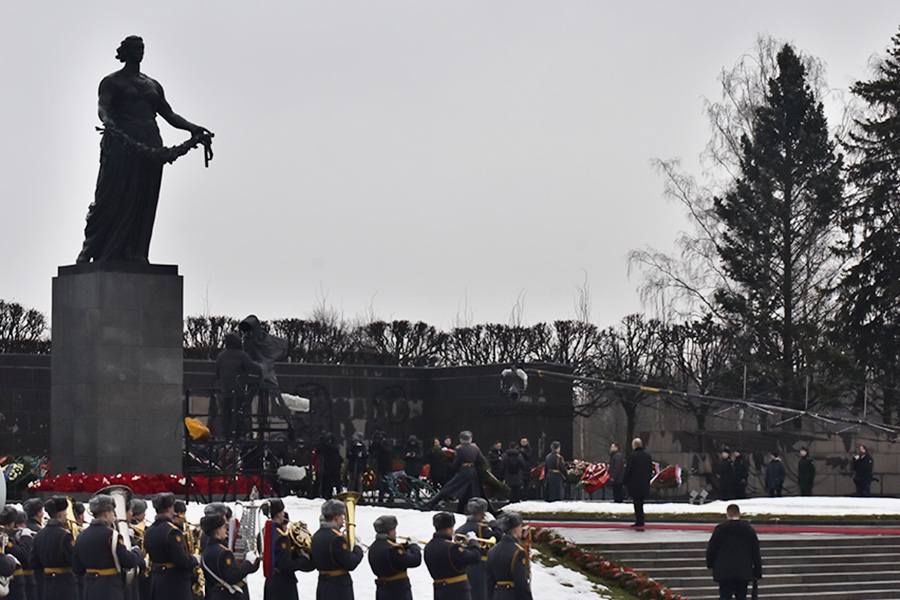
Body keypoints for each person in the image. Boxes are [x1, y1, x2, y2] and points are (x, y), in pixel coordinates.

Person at [76, 35, 212, 264]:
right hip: (121, 144)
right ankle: (91, 249)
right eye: (136, 48)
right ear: (126, 52)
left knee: (144, 197)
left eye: (142, 48)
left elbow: (168, 114)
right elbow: (103, 108)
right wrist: (109, 122)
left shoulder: (153, 84)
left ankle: (135, 252)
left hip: (150, 143)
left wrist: (192, 128)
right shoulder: (111, 81)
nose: (140, 52)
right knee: (111, 196)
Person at [72, 494, 144, 600]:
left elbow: (77, 568)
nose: (113, 515)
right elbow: (129, 561)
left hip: (89, 589)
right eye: (112, 512)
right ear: (106, 514)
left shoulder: (81, 536)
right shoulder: (112, 535)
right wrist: (137, 551)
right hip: (110, 589)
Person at [143, 492, 199, 600]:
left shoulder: (149, 530)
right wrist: (194, 559)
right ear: (169, 509)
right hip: (174, 584)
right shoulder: (172, 531)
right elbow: (181, 560)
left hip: (156, 581)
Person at [705, 504, 762, 600]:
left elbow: (712, 549)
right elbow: (755, 552)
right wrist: (757, 572)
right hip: (743, 571)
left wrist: (710, 564)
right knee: (741, 596)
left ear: (727, 514)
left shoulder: (720, 530)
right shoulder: (749, 530)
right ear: (739, 514)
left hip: (724, 571)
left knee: (725, 596)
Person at [310, 499, 364, 600]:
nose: (343, 519)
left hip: (323, 586)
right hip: (338, 589)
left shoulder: (316, 536)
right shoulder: (337, 539)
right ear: (336, 518)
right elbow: (350, 563)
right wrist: (357, 547)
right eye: (342, 516)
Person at [260, 498, 313, 599]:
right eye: (282, 512)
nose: (283, 514)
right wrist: (302, 560)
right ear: (278, 514)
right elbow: (285, 566)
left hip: (270, 583)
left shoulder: (262, 533)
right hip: (283, 586)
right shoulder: (282, 537)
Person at [213, 332, 262, 440]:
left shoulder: (221, 356)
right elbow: (255, 370)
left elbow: (216, 374)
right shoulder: (242, 356)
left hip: (225, 392)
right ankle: (239, 436)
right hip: (239, 392)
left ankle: (226, 438)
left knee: (226, 417)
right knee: (240, 416)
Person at [424, 512, 482, 600]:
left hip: (439, 592)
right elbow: (475, 557)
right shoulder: (452, 547)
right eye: (452, 528)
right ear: (447, 530)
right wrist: (473, 542)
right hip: (457, 592)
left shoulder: (428, 547)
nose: (453, 531)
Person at [200, 513, 259, 600]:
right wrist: (248, 563)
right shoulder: (224, 553)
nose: (226, 531)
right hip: (227, 595)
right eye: (224, 528)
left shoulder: (206, 551)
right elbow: (233, 577)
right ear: (218, 531)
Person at [424, 431, 486, 513]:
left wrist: (452, 468)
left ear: (461, 439)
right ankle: (462, 510)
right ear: (470, 439)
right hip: (473, 472)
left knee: (449, 487)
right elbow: (482, 461)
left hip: (464, 471)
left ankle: (431, 503)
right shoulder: (475, 448)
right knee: (470, 492)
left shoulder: (459, 448)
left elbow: (456, 463)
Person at [31, 496, 77, 600]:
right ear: (60, 514)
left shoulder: (39, 535)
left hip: (47, 585)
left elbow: (33, 562)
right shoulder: (65, 535)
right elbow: (73, 561)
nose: (67, 516)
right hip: (66, 586)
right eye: (65, 513)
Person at [454, 498, 501, 600]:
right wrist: (493, 523)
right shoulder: (482, 528)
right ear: (483, 513)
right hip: (480, 566)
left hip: (464, 567)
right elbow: (498, 536)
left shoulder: (459, 529)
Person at [367, 515, 421, 600]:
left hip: (382, 591)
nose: (395, 533)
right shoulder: (393, 548)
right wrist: (414, 546)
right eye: (394, 530)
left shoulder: (373, 547)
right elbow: (415, 560)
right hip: (398, 591)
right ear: (389, 531)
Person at [485, 512, 532, 600]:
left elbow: (489, 582)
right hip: (512, 595)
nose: (521, 530)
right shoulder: (518, 551)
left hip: (497, 595)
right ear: (515, 529)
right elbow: (521, 583)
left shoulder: (492, 550)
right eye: (520, 527)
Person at [622, 438, 653, 528]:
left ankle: (639, 520)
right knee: (641, 502)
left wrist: (624, 481)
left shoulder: (632, 456)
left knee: (636, 502)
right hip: (644, 482)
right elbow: (650, 470)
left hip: (634, 483)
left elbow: (628, 470)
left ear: (634, 445)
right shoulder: (648, 456)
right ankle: (641, 519)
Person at [1, 506, 30, 600]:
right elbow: (24, 555)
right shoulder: (4, 537)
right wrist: (26, 537)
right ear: (11, 522)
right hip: (12, 582)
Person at [370, 431, 395, 504]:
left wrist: (381, 444)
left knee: (389, 482)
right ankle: (381, 495)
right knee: (380, 482)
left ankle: (391, 496)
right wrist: (373, 445)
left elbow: (388, 451)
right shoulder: (378, 445)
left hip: (387, 466)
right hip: (380, 466)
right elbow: (372, 452)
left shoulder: (387, 443)